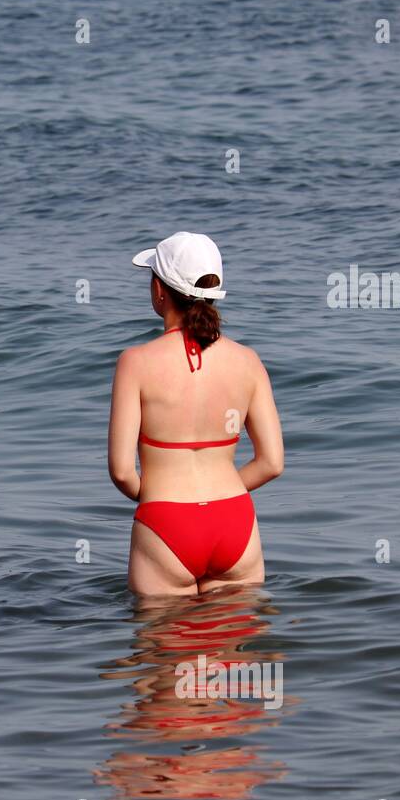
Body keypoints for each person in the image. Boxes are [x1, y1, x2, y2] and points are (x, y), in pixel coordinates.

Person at [107, 231, 283, 596]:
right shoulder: (248, 361)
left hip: (166, 524)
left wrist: (161, 497)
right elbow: (272, 463)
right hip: (235, 521)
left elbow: (123, 472)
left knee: (162, 650)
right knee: (233, 648)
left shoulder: (135, 364)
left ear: (160, 291)